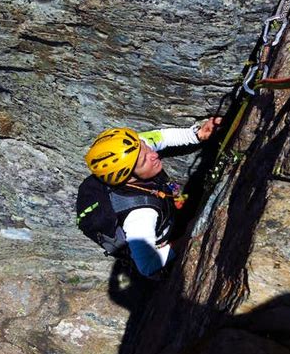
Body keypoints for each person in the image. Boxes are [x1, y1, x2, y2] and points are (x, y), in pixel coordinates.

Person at [81, 118, 221, 277]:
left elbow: (162, 138)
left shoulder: (135, 150)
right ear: (127, 177)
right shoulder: (140, 216)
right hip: (161, 237)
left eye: (147, 148)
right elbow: (147, 266)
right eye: (144, 160)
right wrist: (186, 239)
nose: (154, 154)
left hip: (164, 204)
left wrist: (197, 134)